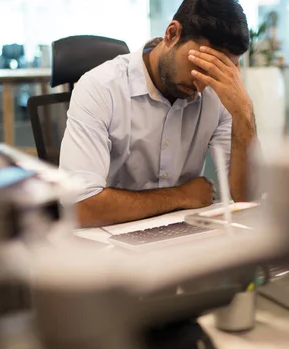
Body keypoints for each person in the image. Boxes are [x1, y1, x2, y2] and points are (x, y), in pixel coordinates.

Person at [59, 0, 257, 227]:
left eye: (216, 72)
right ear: (172, 34)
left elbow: (247, 199)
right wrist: (181, 196)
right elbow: (81, 208)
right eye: (201, 67)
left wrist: (244, 114)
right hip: (109, 239)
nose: (201, 86)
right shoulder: (100, 88)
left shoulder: (216, 94)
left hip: (182, 234)